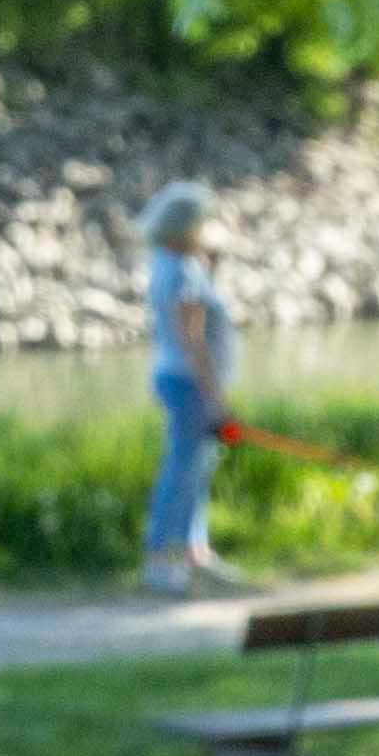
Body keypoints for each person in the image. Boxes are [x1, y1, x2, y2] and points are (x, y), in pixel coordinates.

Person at [143, 182, 242, 591]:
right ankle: (163, 558)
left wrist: (211, 267)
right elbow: (193, 339)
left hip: (178, 380)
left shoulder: (172, 263)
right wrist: (215, 399)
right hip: (189, 384)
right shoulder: (182, 271)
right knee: (184, 471)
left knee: (197, 468)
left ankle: (193, 552)